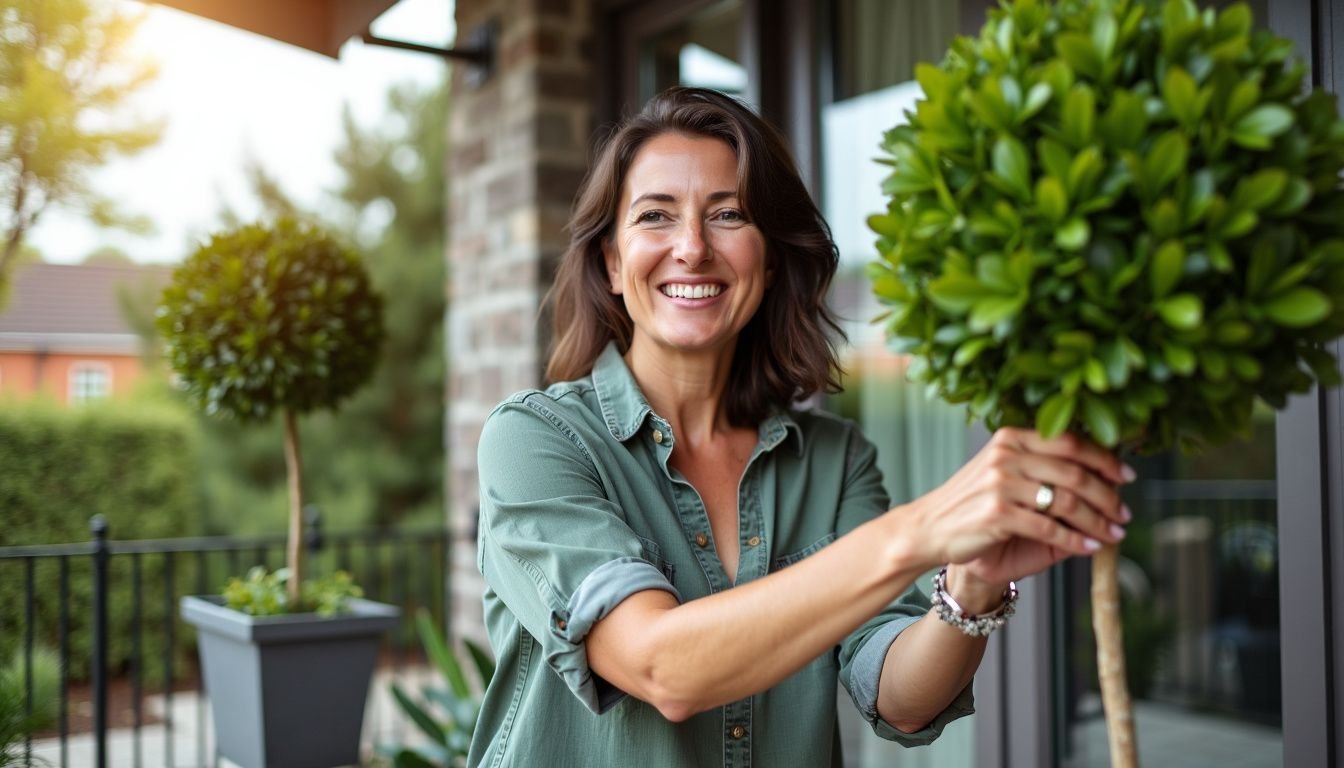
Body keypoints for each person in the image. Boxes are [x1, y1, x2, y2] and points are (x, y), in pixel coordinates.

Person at [468, 86, 1132, 767]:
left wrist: (973, 582)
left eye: (727, 214)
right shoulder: (535, 440)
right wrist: (921, 529)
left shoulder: (834, 461)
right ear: (612, 262)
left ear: (773, 256)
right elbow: (661, 667)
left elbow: (901, 696)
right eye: (655, 217)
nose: (692, 248)